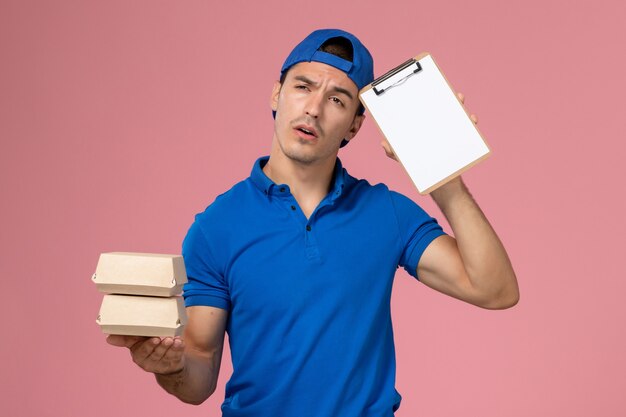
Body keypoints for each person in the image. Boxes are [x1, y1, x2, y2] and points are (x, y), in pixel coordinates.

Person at [107, 29, 519, 417]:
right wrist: (168, 365)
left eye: (338, 99)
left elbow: (494, 289)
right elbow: (198, 377)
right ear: (276, 93)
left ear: (355, 126)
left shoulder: (385, 212)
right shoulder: (216, 228)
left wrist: (444, 177)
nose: (314, 108)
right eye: (303, 86)